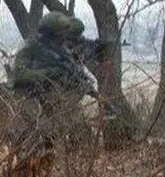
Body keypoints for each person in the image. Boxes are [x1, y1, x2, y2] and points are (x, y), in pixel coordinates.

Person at [6, 10, 101, 154]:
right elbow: (18, 76)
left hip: (50, 98)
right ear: (50, 35)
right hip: (28, 99)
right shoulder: (30, 47)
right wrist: (49, 73)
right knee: (32, 135)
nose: (63, 40)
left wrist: (76, 83)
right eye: (59, 37)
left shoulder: (60, 51)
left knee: (75, 118)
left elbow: (69, 74)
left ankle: (77, 154)